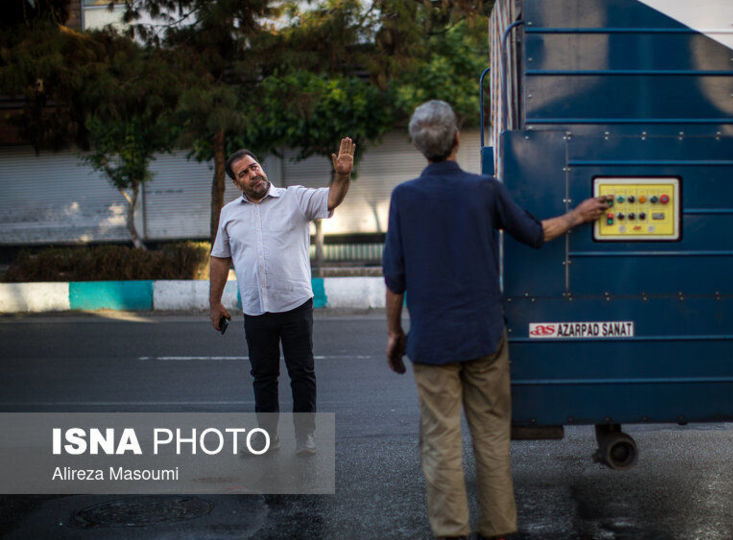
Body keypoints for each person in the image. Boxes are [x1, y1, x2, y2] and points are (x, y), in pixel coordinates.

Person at [382, 100, 612, 539]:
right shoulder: (485, 189)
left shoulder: (403, 197)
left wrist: (394, 334)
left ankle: (451, 531)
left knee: (440, 443)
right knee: (490, 439)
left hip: (431, 344)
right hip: (485, 337)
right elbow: (534, 234)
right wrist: (578, 215)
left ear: (418, 147)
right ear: (455, 140)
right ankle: (499, 529)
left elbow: (395, 279)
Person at [209, 138, 355, 455]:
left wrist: (342, 176)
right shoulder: (229, 214)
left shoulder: (295, 199)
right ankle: (268, 438)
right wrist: (215, 303)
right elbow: (220, 258)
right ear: (237, 183)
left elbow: (331, 198)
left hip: (294, 305)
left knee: (301, 372)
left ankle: (305, 438)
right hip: (256, 309)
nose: (253, 174)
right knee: (263, 376)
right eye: (244, 173)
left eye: (255, 167)